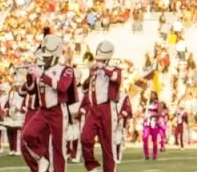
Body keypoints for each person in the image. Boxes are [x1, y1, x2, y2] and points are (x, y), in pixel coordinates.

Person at [20, 30, 76, 172]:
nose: (43, 59)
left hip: (58, 110)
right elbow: (31, 91)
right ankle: (41, 158)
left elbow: (62, 87)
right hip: (43, 111)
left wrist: (42, 75)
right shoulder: (42, 70)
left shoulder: (66, 70)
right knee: (28, 134)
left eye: (46, 57)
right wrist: (29, 76)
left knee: (58, 149)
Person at [81, 41, 122, 172]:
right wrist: (90, 73)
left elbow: (116, 78)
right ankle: (92, 166)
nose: (97, 60)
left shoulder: (115, 68)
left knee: (108, 147)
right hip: (93, 109)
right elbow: (84, 88)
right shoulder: (95, 71)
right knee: (85, 138)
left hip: (107, 109)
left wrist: (103, 68)